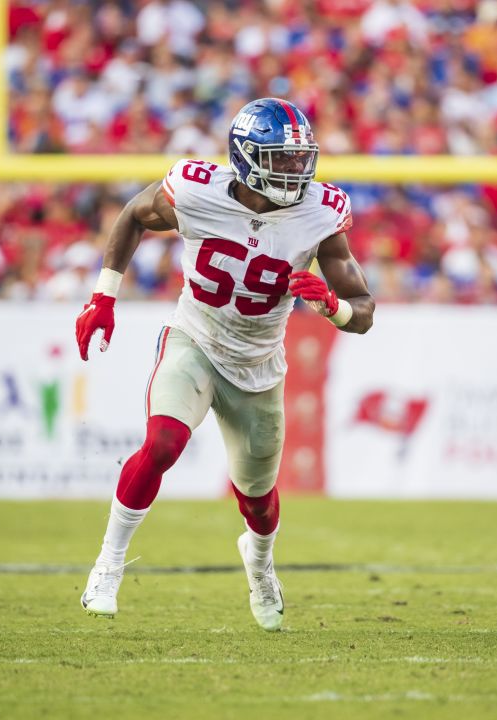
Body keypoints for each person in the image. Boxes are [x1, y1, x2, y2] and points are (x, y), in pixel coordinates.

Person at [73, 98, 375, 631]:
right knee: (163, 442)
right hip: (195, 339)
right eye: (282, 159)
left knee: (257, 501)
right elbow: (133, 215)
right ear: (247, 155)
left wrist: (333, 306)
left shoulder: (320, 213)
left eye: (301, 158)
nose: (296, 171)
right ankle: (108, 564)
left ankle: (260, 567)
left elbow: (364, 312)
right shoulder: (195, 189)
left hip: (259, 364)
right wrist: (103, 296)